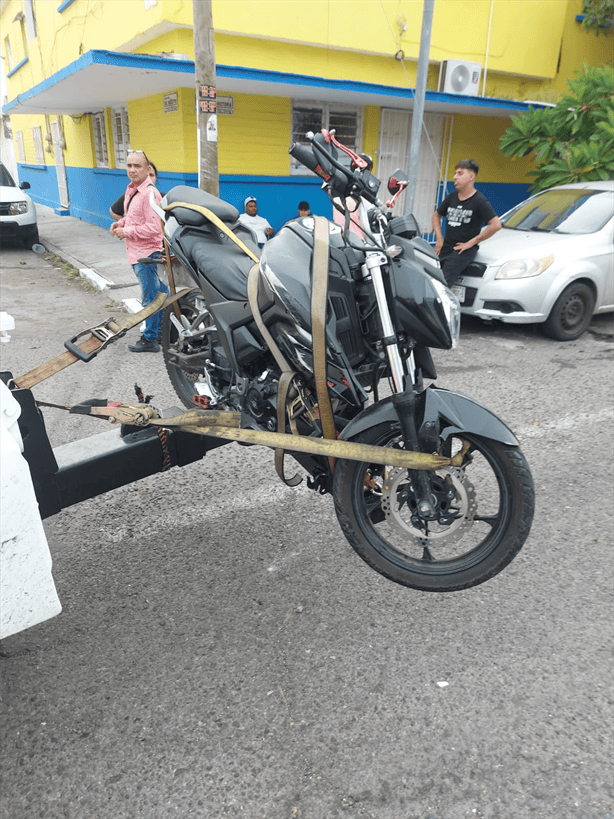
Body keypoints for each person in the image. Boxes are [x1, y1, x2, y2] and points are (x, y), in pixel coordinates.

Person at [110, 151, 169, 353]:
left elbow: (155, 229)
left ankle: (150, 339)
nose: (132, 170)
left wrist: (125, 231)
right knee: (161, 293)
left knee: (150, 298)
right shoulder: (132, 190)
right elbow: (133, 218)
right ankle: (166, 326)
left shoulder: (150, 193)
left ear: (147, 169)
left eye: (137, 166)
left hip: (147, 255)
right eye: (129, 166)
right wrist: (120, 223)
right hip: (137, 252)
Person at [431, 159, 502, 288]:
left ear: (471, 177)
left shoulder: (479, 201)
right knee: (432, 278)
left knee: (441, 285)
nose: (454, 177)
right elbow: (436, 215)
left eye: (459, 173)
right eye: (455, 173)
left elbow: (496, 224)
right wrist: (439, 238)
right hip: (445, 247)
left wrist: (472, 242)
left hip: (462, 251)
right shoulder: (452, 196)